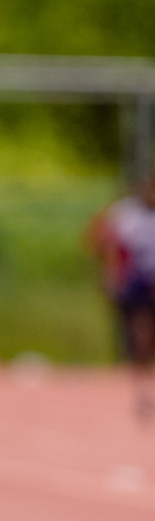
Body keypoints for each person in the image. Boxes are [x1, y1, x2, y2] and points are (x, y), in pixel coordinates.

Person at [90, 176, 155, 420]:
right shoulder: (126, 213)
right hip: (139, 278)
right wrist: (111, 272)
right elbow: (104, 239)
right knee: (141, 326)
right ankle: (142, 376)